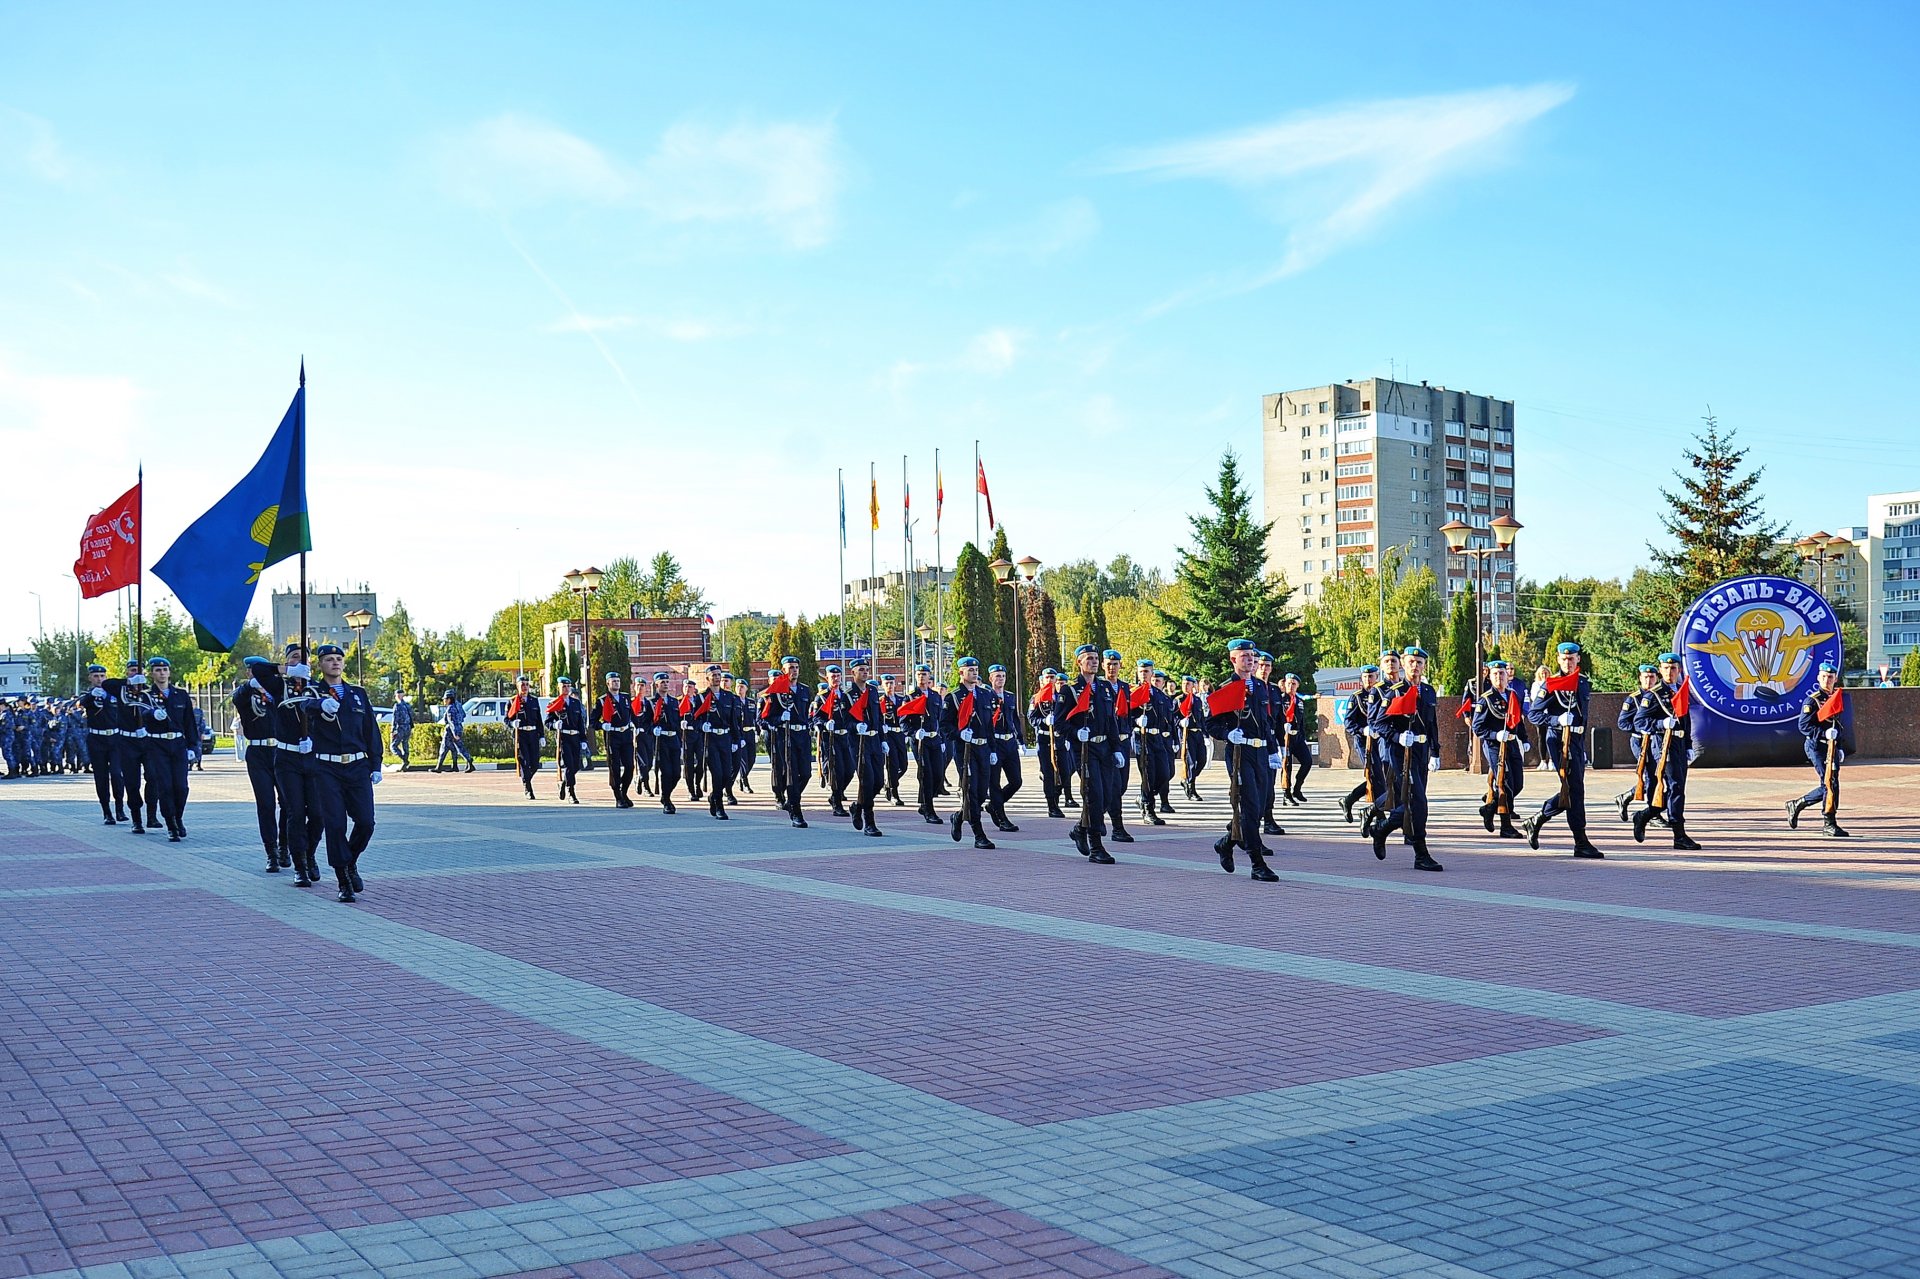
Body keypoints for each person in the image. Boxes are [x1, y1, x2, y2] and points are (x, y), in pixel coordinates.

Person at [307, 643, 381, 902]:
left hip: (357, 766)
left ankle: (351, 861)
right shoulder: (312, 691)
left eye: (339, 658)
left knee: (366, 822)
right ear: (320, 664)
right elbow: (299, 706)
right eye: (329, 659)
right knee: (336, 824)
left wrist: (376, 764)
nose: (335, 662)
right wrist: (319, 705)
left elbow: (371, 730)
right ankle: (343, 880)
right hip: (327, 768)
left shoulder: (357, 694)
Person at [1204, 638, 1281, 882]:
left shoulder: (1259, 686)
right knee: (1249, 807)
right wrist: (1227, 733)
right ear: (1233, 659)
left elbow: (1266, 723)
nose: (1250, 659)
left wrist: (1272, 750)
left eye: (1252, 655)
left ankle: (1227, 842)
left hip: (1261, 753)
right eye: (1244, 656)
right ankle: (1257, 863)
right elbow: (1210, 724)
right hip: (1240, 754)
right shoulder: (1227, 688)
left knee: (1260, 807)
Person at [1522, 642, 1604, 859]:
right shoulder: (1551, 684)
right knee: (1574, 789)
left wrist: (1582, 746)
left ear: (1578, 659)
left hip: (1576, 741)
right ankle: (1580, 841)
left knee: (1573, 789)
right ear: (1558, 660)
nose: (1568, 662)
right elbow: (1534, 714)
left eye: (1572, 658)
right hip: (1558, 741)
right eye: (1564, 659)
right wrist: (1556, 720)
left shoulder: (1583, 682)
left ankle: (1538, 819)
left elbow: (1583, 716)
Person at [1369, 645, 1443, 871]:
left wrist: (1435, 752)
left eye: (1419, 663)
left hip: (1421, 751)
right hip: (1401, 753)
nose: (1415, 666)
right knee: (1418, 803)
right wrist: (1398, 736)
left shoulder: (1428, 691)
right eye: (1411, 662)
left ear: (1424, 666)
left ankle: (1382, 828)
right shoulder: (1395, 691)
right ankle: (1421, 854)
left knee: (1414, 803)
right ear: (1403, 664)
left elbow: (1432, 724)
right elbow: (1378, 723)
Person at [1632, 652, 1701, 850]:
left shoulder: (1681, 690)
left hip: (1679, 744)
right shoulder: (1654, 694)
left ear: (1679, 670)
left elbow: (1685, 720)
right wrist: (1661, 724)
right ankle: (1679, 835)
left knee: (1676, 789)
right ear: (1661, 670)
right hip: (1663, 746)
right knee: (1675, 788)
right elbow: (1639, 721)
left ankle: (1645, 814)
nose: (1670, 672)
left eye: (1673, 668)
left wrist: (1688, 745)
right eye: (1666, 668)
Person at [270, 660, 325, 887]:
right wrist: (287, 670)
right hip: (287, 758)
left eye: (303, 657)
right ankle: (300, 866)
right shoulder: (279, 686)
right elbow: (260, 669)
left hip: (313, 758)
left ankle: (309, 853)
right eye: (293, 657)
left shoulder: (318, 688)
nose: (299, 660)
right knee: (295, 812)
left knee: (318, 814)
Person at [233, 658, 288, 872]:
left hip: (281, 751)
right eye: (250, 671)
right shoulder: (246, 694)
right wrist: (251, 685)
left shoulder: (279, 691)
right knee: (266, 803)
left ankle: (284, 846)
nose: (252, 674)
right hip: (258, 753)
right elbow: (238, 697)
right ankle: (271, 852)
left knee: (288, 803)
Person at [1787, 660, 1852, 837]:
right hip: (1816, 746)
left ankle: (1798, 804)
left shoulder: (1835, 698)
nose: (1827, 680)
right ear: (1818, 678)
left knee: (1831, 784)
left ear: (1835, 679)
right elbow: (1804, 726)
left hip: (1831, 747)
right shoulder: (1813, 700)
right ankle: (1828, 823)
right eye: (1824, 677)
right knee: (1829, 783)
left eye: (1830, 677)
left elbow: (1837, 725)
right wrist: (1824, 734)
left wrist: (1839, 746)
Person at [137, 656, 196, 842]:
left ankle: (178, 817)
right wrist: (152, 713)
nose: (162, 673)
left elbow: (189, 722)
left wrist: (193, 746)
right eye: (157, 670)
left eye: (164, 670)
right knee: (165, 787)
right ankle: (171, 824)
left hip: (178, 744)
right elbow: (140, 713)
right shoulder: (146, 695)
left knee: (181, 786)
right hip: (157, 745)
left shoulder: (181, 695)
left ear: (169, 672)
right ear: (152, 674)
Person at [1470, 659, 1528, 839]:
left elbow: (1518, 720)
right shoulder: (1486, 699)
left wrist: (1524, 738)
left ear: (1507, 676)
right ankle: (1506, 826)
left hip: (1511, 743)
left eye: (1502, 673)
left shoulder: (1512, 695)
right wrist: (1495, 735)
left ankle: (1490, 807)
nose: (1499, 677)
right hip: (1495, 745)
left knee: (1518, 784)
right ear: (1490, 676)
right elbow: (1477, 727)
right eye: (1495, 674)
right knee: (1505, 783)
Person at [942, 657, 997, 848]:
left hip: (983, 748)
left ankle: (959, 816)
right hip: (965, 749)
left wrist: (992, 749)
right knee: (971, 790)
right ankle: (979, 835)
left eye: (976, 670)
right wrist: (959, 734)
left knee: (981, 793)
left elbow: (989, 725)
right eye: (970, 670)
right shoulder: (954, 697)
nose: (974, 673)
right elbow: (945, 726)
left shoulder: (985, 694)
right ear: (961, 673)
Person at [759, 655, 813, 827]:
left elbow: (808, 713)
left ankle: (791, 800)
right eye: (790, 667)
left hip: (802, 736)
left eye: (796, 667)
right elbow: (766, 718)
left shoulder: (805, 690)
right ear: (783, 670)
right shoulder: (775, 691)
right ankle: (796, 812)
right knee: (792, 774)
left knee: (806, 773)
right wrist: (780, 719)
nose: (794, 670)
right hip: (786, 736)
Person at [687, 664, 739, 819]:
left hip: (725, 738)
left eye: (718, 675)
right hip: (710, 740)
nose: (717, 677)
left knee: (727, 775)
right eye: (714, 675)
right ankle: (719, 807)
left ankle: (713, 796)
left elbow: (733, 721)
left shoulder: (729, 697)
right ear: (707, 678)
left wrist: (736, 739)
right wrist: (702, 726)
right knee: (717, 774)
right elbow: (694, 719)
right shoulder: (701, 698)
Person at [1614, 666, 1663, 825]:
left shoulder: (1659, 696)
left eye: (1652, 677)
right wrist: (1641, 728)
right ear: (1640, 679)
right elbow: (1622, 723)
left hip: (1656, 741)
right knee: (1651, 776)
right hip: (1640, 742)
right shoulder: (1633, 699)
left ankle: (1627, 797)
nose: (1649, 680)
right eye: (1645, 677)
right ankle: (1653, 814)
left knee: (1657, 776)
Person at [1339, 664, 1386, 827]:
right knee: (1376, 776)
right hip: (1364, 742)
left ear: (1377, 677)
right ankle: (1379, 815)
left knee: (1379, 777)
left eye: (1371, 676)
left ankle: (1349, 800)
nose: (1368, 680)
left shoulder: (1382, 694)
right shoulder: (1357, 697)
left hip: (1381, 740)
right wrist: (1362, 730)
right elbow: (1348, 722)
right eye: (1365, 677)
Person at [846, 663, 889, 836]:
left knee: (879, 782)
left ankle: (857, 806)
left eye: (866, 670)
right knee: (867, 781)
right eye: (861, 670)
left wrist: (883, 739)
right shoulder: (848, 695)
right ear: (853, 672)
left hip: (874, 740)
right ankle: (869, 822)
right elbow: (845, 721)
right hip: (859, 742)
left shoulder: (872, 691)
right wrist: (856, 726)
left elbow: (878, 717)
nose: (865, 672)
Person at [1128, 660, 1174, 825]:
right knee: (1148, 775)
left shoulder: (1158, 695)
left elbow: (1166, 718)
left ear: (1152, 673)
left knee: (1165, 774)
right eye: (1141, 671)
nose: (1144, 674)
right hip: (1142, 738)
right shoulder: (1133, 693)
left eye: (1146, 671)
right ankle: (1148, 810)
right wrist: (1136, 721)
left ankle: (1143, 797)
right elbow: (1123, 715)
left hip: (1158, 738)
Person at [76, 665, 122, 824]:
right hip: (97, 739)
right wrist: (91, 696)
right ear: (90, 678)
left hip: (115, 738)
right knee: (101, 777)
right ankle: (107, 812)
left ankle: (120, 808)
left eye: (102, 676)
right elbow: (80, 703)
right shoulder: (88, 695)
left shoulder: (114, 693)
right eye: (96, 676)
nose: (99, 679)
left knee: (116, 773)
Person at [898, 664, 944, 824]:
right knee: (927, 774)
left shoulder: (935, 696)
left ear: (929, 676)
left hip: (934, 739)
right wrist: (914, 733)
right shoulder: (910, 697)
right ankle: (929, 809)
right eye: (919, 674)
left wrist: (942, 739)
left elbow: (940, 719)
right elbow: (903, 722)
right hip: (920, 741)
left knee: (938, 774)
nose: (922, 677)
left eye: (924, 674)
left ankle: (925, 803)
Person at [1099, 650, 1136, 844]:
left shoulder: (1125, 687)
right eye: (1108, 664)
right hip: (1108, 743)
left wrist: (1131, 729)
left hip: (1123, 740)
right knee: (1113, 786)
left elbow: (1128, 712)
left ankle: (1096, 816)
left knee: (1121, 785)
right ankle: (1117, 827)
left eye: (1115, 664)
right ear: (1103, 666)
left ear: (1120, 666)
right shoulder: (1099, 687)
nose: (1112, 668)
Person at [1031, 667, 1072, 818]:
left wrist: (1067, 736)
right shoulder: (1037, 698)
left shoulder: (1062, 698)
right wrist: (1044, 721)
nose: (1050, 680)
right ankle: (1052, 805)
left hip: (1060, 739)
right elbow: (1032, 719)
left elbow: (1070, 717)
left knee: (1065, 772)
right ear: (1042, 681)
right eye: (1047, 678)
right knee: (1048, 773)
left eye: (1052, 678)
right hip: (1044, 739)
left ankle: (1057, 796)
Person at [597, 669, 638, 808]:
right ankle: (618, 796)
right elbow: (593, 721)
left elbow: (632, 715)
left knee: (630, 766)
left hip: (626, 735)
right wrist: (602, 725)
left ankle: (624, 792)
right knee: (614, 768)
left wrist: (636, 725)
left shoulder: (625, 698)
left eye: (618, 681)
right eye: (613, 681)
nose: (616, 683)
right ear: (608, 683)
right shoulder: (603, 700)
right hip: (612, 736)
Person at [643, 671, 682, 812]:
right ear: (656, 685)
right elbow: (645, 723)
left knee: (677, 773)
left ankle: (666, 795)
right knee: (666, 772)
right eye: (662, 682)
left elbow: (677, 722)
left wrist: (680, 740)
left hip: (674, 739)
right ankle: (667, 800)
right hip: (662, 740)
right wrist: (653, 729)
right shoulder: (651, 703)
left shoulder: (674, 701)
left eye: (667, 682)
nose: (665, 684)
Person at [545, 675, 588, 803]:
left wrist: (583, 740)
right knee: (569, 764)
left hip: (575, 737)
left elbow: (580, 722)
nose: (566, 689)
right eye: (564, 686)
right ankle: (571, 792)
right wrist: (554, 725)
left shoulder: (576, 703)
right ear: (558, 687)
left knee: (576, 765)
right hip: (564, 738)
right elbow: (547, 722)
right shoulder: (554, 703)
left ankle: (564, 781)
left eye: (568, 686)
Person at [504, 674, 546, 800]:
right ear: (517, 686)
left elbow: (539, 720)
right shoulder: (512, 701)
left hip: (533, 734)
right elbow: (506, 719)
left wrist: (542, 735)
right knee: (525, 762)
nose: (525, 687)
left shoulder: (534, 700)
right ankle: (528, 788)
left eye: (527, 684)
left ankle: (526, 779)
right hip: (521, 735)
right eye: (522, 685)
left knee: (535, 764)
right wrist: (512, 723)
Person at [1275, 671, 1313, 806]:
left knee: (1307, 761)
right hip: (1284, 737)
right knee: (1287, 765)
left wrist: (1303, 737)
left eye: (1294, 684)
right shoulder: (1280, 700)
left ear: (1297, 686)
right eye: (1289, 683)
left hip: (1297, 737)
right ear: (1285, 684)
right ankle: (1286, 794)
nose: (1291, 686)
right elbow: (1276, 718)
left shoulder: (1299, 701)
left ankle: (1297, 788)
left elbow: (1301, 722)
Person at [1177, 674, 1207, 801]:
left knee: (1202, 760)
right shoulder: (1179, 700)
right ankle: (1191, 789)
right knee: (1191, 762)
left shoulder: (1197, 700)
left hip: (1198, 733)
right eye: (1184, 684)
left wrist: (1205, 734)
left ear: (1193, 685)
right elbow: (1173, 718)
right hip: (1187, 734)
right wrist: (1180, 722)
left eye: (1188, 684)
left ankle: (1187, 779)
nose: (1185, 686)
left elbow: (1201, 718)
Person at [435, 691, 475, 772]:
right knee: (458, 747)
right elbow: (463, 715)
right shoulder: (458, 705)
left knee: (444, 747)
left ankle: (439, 767)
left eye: (445, 699)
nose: (444, 701)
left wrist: (454, 733)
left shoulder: (450, 708)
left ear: (449, 699)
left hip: (451, 730)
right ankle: (461, 764)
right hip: (458, 728)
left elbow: (452, 722)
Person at [391, 690, 414, 771]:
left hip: (400, 727)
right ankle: (405, 763)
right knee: (405, 744)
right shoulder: (408, 705)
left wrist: (393, 730)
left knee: (393, 746)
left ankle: (404, 759)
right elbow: (411, 716)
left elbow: (395, 719)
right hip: (408, 727)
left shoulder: (397, 706)